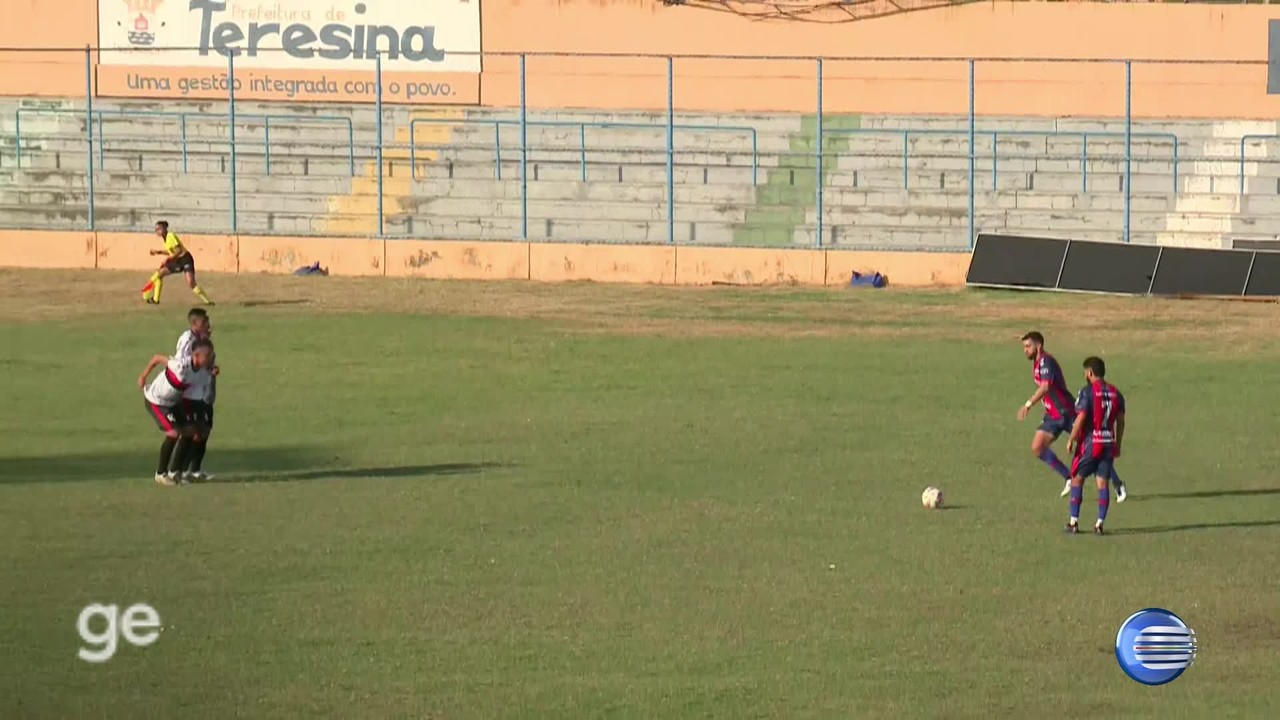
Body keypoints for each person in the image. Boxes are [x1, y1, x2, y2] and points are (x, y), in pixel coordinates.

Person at [138, 339, 214, 486]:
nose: (210, 358)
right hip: (157, 401)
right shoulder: (181, 365)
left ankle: (175, 471)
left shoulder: (202, 372)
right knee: (173, 432)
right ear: (197, 355)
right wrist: (143, 376)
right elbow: (157, 358)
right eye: (208, 355)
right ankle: (160, 473)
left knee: (190, 431)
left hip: (173, 403)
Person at [1065, 356, 1126, 535]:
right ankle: (1099, 524)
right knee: (1102, 483)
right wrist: (1118, 444)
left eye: (1086, 372)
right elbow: (1121, 422)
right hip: (1108, 443)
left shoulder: (1088, 391)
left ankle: (1073, 522)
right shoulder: (1117, 393)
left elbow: (1081, 417)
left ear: (1090, 372)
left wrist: (1071, 438)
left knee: (1077, 479)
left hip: (1091, 443)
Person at [1016, 331, 1077, 497]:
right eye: (1024, 347)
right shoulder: (1036, 363)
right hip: (1052, 415)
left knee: (1092, 446)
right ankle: (1069, 477)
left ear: (1039, 346)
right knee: (1037, 447)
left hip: (1066, 412)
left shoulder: (1046, 361)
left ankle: (1116, 483)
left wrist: (1028, 405)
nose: (1025, 350)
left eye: (1028, 346)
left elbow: (1045, 387)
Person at [175, 308, 217, 481]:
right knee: (192, 432)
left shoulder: (203, 339)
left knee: (204, 430)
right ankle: (178, 471)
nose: (208, 325)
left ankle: (195, 470)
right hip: (190, 394)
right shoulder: (187, 340)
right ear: (194, 324)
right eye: (204, 322)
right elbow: (182, 365)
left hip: (204, 391)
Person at [141, 221, 214, 306]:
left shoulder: (170, 236)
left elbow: (179, 251)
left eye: (159, 229)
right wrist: (159, 252)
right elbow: (172, 251)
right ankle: (155, 299)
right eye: (156, 229)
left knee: (191, 283)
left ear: (165, 228)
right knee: (159, 274)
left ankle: (208, 301)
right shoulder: (165, 238)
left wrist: (168, 259)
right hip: (177, 260)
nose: (157, 231)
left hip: (185, 259)